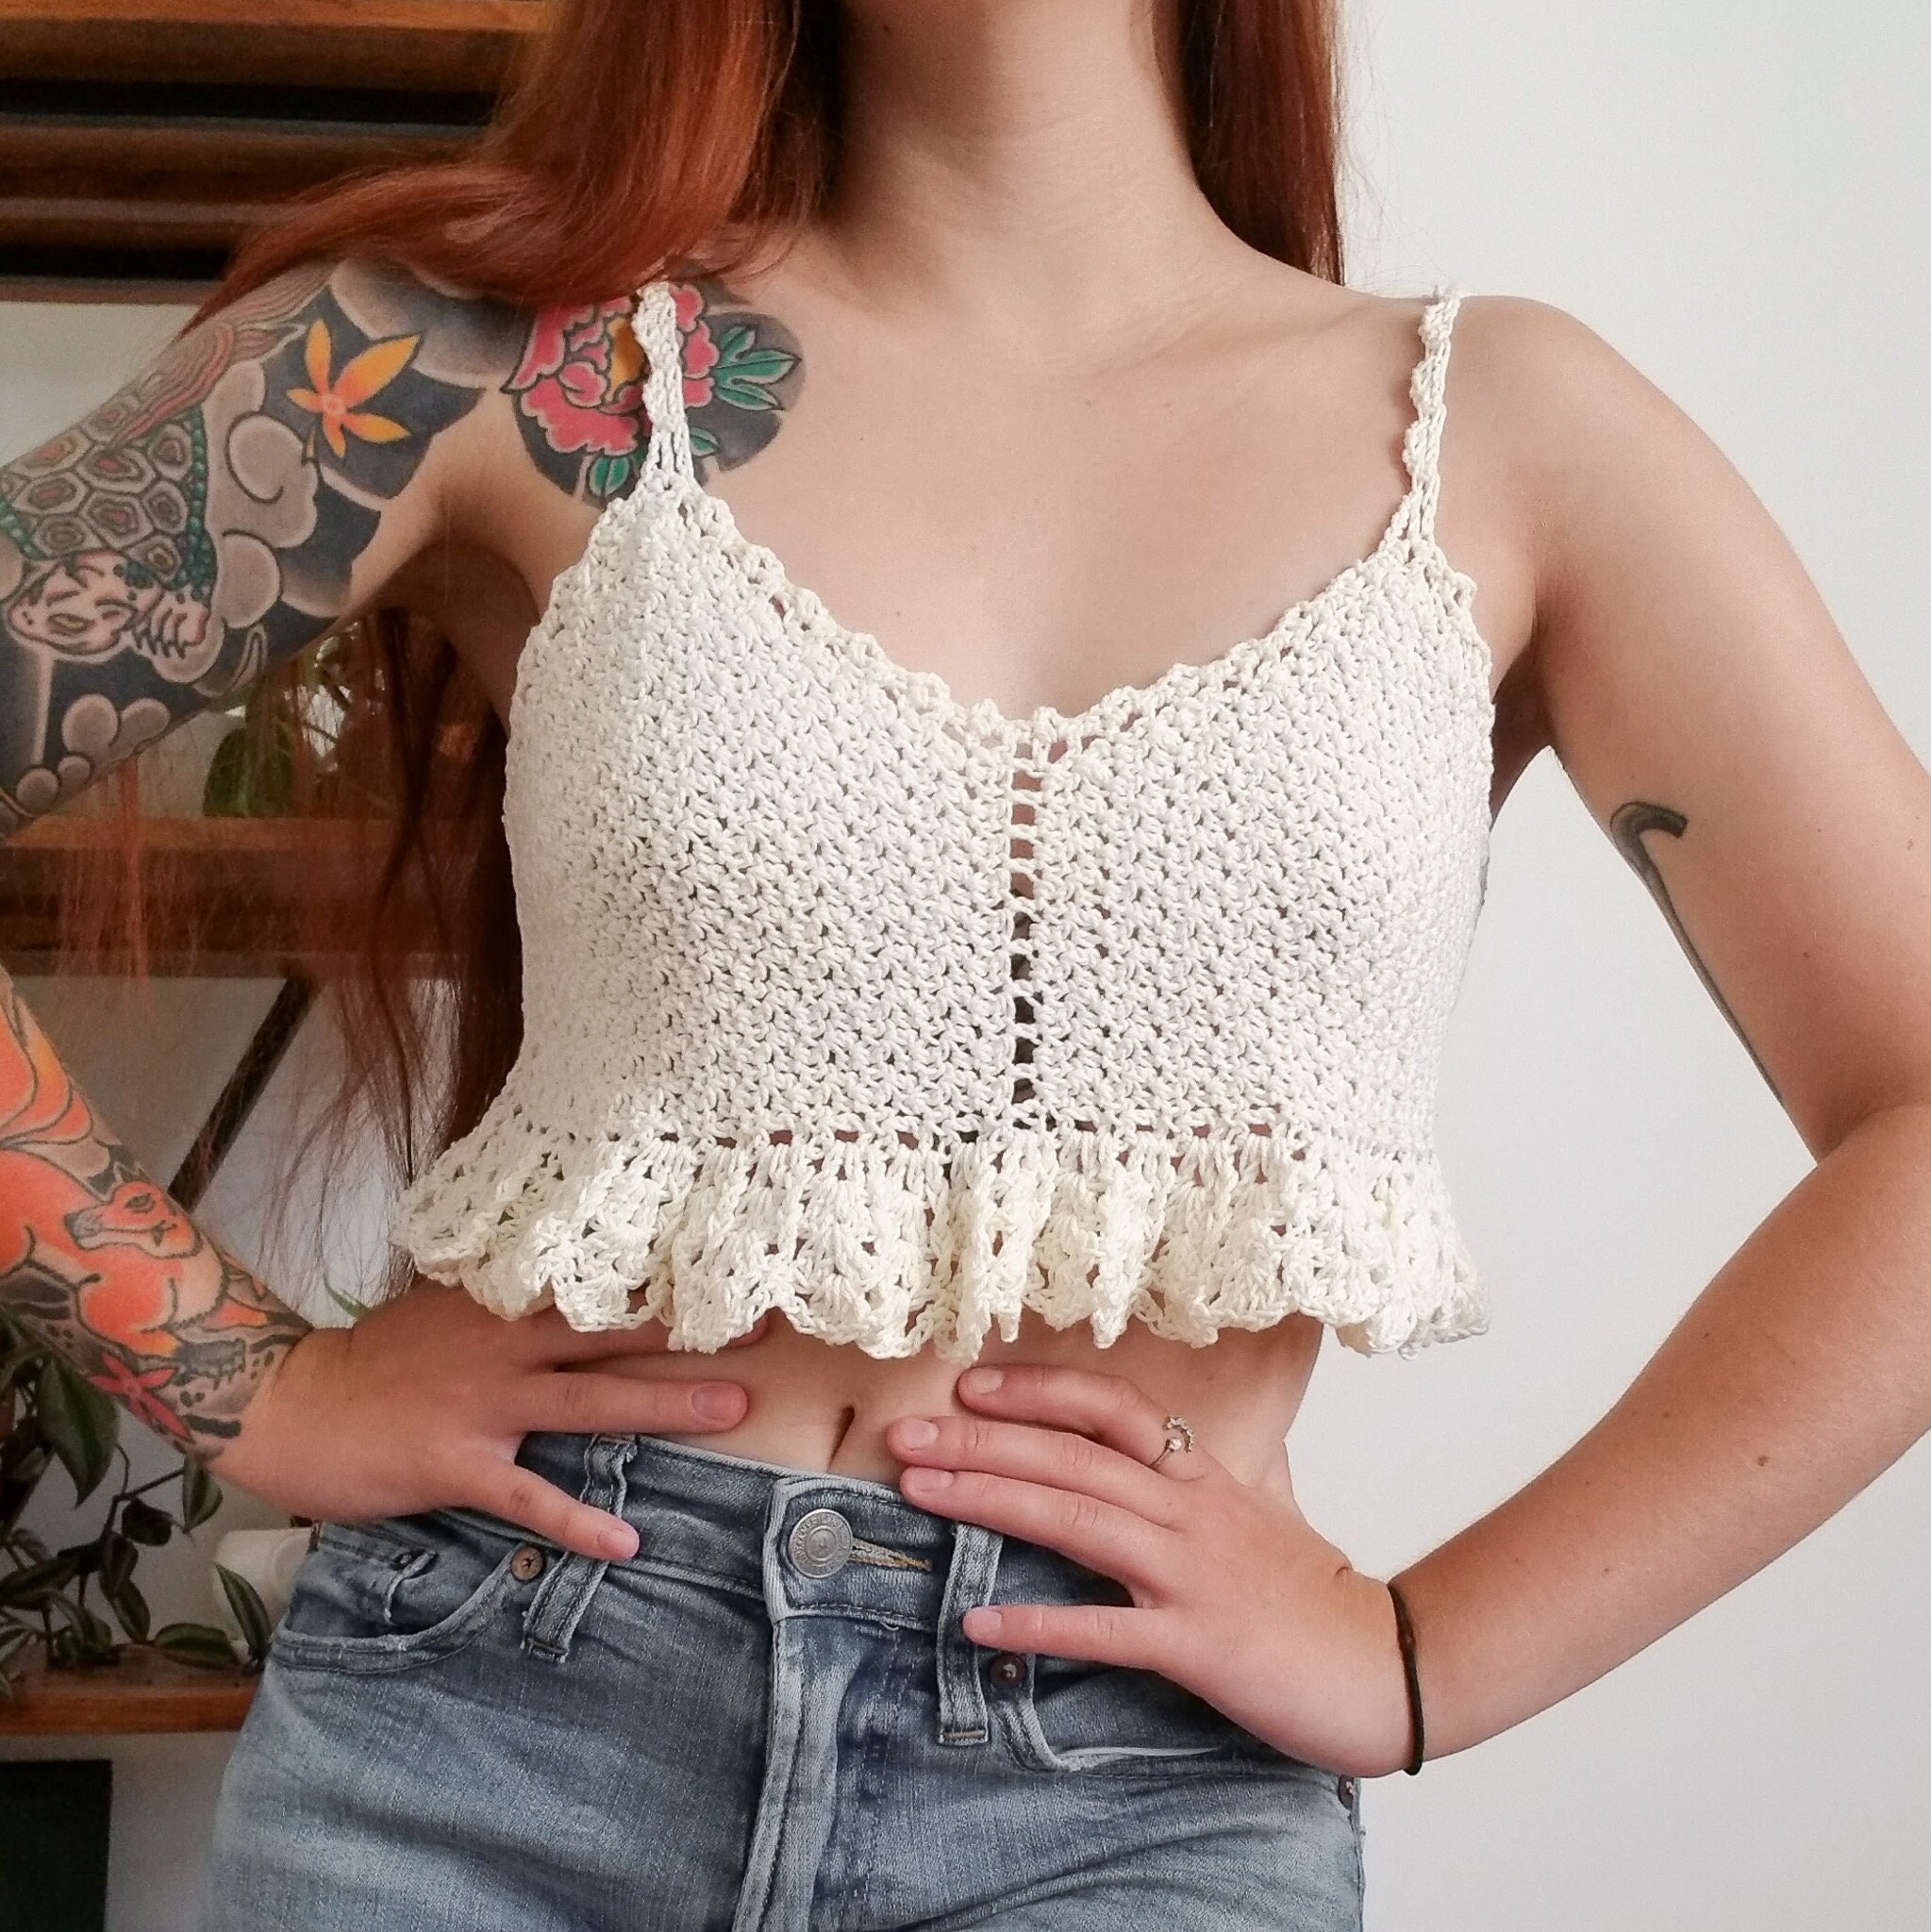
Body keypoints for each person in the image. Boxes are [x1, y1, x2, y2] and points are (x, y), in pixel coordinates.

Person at [4, 2, 1928, 1926]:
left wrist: (1427, 1654)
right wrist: (258, 1388)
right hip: (486, 1728)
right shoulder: (473, 363)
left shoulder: (1504, 432)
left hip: (1123, 1789)